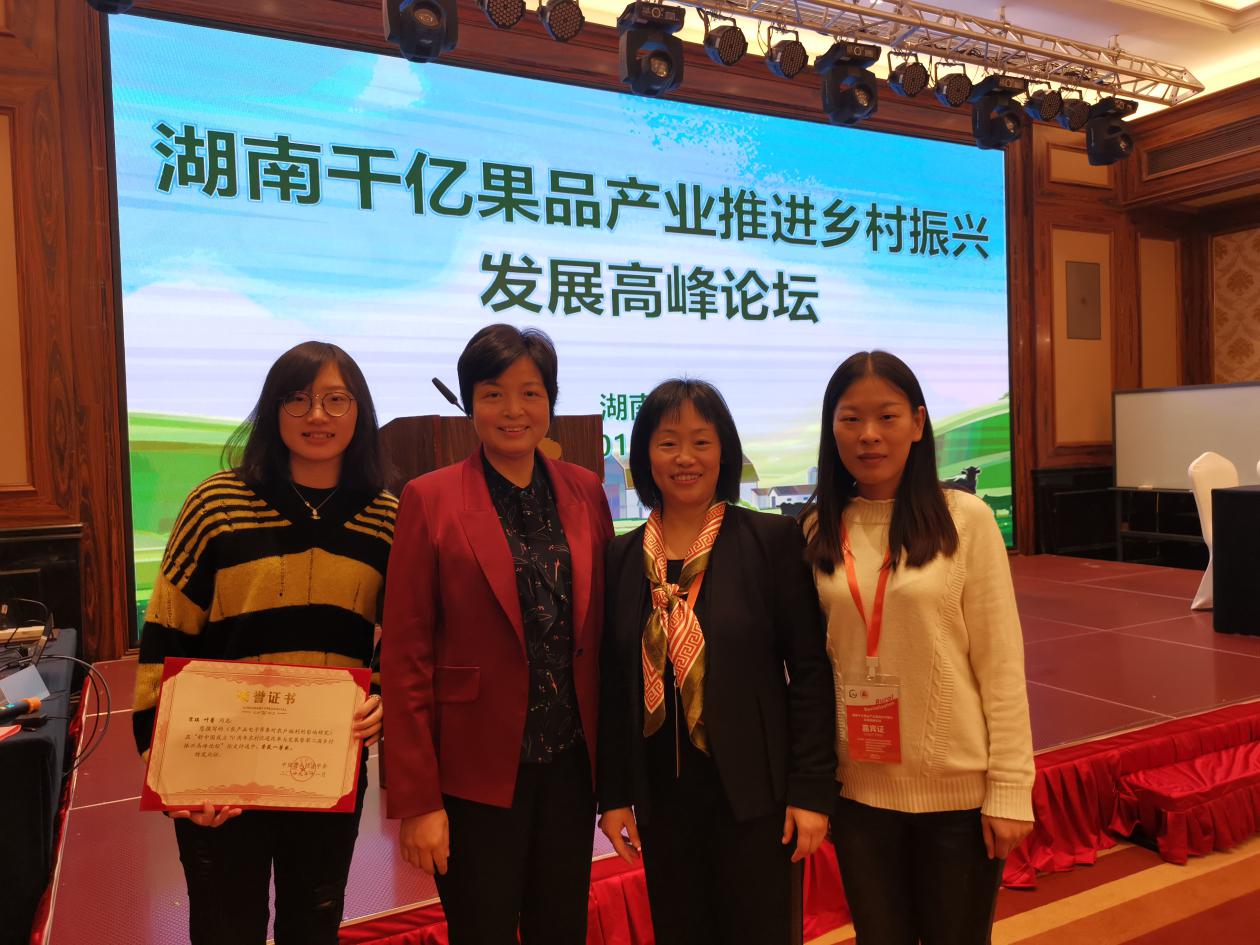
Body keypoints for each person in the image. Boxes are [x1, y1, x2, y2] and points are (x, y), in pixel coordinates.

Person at [132, 340, 396, 945]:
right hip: (219, 769)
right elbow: (167, 632)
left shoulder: (387, 517)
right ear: (272, 410)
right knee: (226, 927)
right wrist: (168, 767)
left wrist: (383, 695)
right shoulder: (216, 504)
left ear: (360, 412)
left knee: (314, 924)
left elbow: (403, 635)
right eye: (297, 399)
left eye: (336, 400)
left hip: (326, 763)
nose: (317, 415)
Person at [382, 324, 614, 945]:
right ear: (469, 403)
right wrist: (418, 801)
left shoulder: (585, 490)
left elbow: (602, 637)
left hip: (570, 767)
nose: (514, 410)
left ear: (551, 401)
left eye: (530, 393)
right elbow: (405, 657)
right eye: (493, 394)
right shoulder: (428, 499)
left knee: (560, 929)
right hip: (474, 773)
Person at [804, 351, 1034, 945]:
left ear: (918, 422)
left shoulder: (967, 520)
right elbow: (808, 670)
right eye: (851, 418)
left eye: (887, 416)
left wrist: (1011, 788)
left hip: (957, 799)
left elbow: (1001, 663)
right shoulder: (817, 529)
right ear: (832, 429)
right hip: (858, 795)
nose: (869, 434)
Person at [597, 379, 836, 945]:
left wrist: (810, 791)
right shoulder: (624, 556)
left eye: (701, 442)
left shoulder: (770, 541)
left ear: (724, 452)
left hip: (756, 797)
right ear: (644, 457)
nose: (685, 458)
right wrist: (614, 796)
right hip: (661, 800)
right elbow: (613, 682)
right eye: (668, 443)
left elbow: (808, 672)